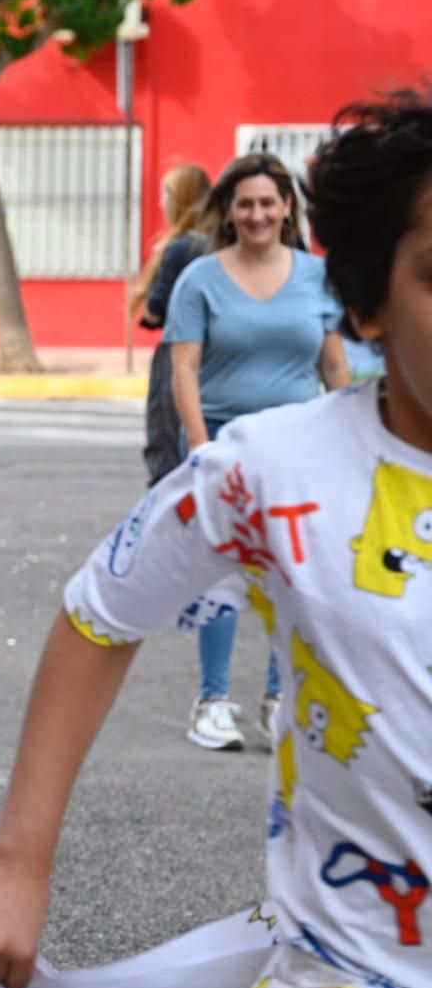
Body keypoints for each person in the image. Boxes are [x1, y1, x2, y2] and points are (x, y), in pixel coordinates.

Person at [0, 89, 432, 988]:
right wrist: (17, 863)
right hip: (347, 973)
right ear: (367, 304)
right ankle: (215, 697)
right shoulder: (272, 470)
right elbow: (97, 617)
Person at [165, 152, 353, 752]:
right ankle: (213, 702)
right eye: (245, 203)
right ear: (229, 211)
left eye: (268, 202)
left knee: (290, 573)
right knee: (222, 573)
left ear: (288, 208)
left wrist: (350, 437)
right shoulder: (200, 278)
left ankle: (280, 701)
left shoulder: (316, 277)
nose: (257, 214)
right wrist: (202, 448)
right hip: (224, 440)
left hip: (300, 446)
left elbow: (333, 364)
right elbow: (184, 369)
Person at [133, 164, 213, 485]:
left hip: (177, 351)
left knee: (166, 447)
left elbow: (155, 309)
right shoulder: (219, 245)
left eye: (167, 193)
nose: (162, 201)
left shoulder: (180, 248)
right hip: (216, 353)